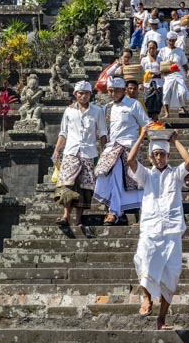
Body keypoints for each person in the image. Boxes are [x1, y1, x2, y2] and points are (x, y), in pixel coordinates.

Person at [128, 127, 189, 330]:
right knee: (142, 260)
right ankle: (146, 298)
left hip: (172, 230)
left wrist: (175, 141)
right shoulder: (147, 175)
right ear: (150, 157)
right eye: (156, 155)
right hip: (150, 228)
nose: (159, 158)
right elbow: (130, 160)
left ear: (167, 155)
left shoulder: (175, 174)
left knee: (171, 275)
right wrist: (141, 137)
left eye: (162, 154)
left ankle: (162, 318)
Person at [94, 77, 150, 225]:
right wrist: (104, 148)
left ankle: (113, 212)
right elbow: (103, 132)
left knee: (118, 178)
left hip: (128, 147)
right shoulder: (106, 108)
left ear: (123, 91)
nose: (113, 94)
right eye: (110, 91)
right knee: (102, 175)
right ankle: (112, 210)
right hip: (111, 148)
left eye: (116, 91)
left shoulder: (134, 105)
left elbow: (146, 125)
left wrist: (143, 143)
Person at [52, 81, 108, 227]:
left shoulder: (97, 111)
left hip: (89, 152)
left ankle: (77, 220)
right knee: (67, 184)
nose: (83, 96)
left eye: (86, 93)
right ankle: (65, 215)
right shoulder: (69, 111)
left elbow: (102, 133)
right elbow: (63, 132)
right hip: (71, 151)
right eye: (80, 93)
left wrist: (104, 152)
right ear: (75, 94)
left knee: (84, 187)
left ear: (90, 94)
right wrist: (57, 149)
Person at [158, 32, 189, 118]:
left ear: (175, 40)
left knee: (182, 92)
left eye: (173, 41)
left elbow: (184, 63)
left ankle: (182, 107)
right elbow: (159, 64)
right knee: (165, 93)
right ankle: (166, 113)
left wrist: (188, 72)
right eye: (170, 41)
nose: (171, 42)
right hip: (167, 75)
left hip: (178, 74)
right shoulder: (162, 51)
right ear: (167, 40)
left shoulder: (179, 51)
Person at [140, 40, 164, 120]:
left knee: (157, 102)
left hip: (158, 83)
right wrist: (140, 83)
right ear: (147, 48)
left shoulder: (160, 59)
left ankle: (155, 119)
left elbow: (163, 70)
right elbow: (141, 72)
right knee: (147, 100)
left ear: (156, 49)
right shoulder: (144, 60)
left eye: (153, 48)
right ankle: (147, 120)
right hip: (147, 83)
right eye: (150, 48)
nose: (151, 50)